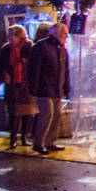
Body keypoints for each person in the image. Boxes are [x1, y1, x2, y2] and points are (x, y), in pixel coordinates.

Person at [27, 22, 70, 155]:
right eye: (64, 33)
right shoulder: (42, 47)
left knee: (56, 115)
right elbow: (34, 69)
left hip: (57, 88)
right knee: (47, 114)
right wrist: (33, 87)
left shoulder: (62, 49)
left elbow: (65, 70)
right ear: (55, 33)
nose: (66, 36)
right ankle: (38, 142)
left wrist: (66, 87)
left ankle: (50, 142)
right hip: (44, 88)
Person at [0, 25, 38, 149]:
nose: (9, 38)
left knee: (28, 113)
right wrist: (5, 74)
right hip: (13, 85)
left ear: (19, 36)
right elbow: (0, 65)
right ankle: (13, 138)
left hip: (26, 84)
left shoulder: (29, 47)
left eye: (12, 35)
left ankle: (25, 137)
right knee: (14, 113)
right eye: (8, 35)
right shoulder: (6, 49)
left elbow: (35, 64)